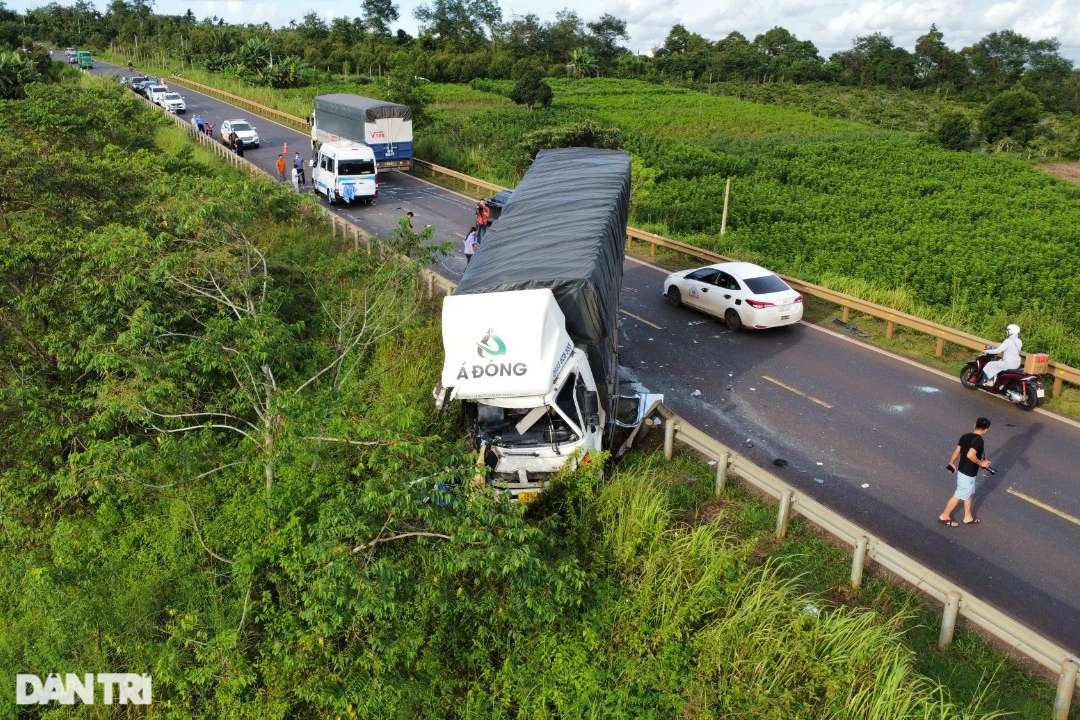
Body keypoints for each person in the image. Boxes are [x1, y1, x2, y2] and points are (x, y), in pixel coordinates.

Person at [939, 417, 992, 526]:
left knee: (968, 494)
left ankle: (967, 517)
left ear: (974, 425)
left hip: (963, 471)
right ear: (986, 430)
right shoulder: (979, 441)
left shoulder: (965, 436)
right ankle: (944, 515)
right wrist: (982, 463)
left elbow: (957, 451)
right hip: (968, 474)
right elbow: (970, 455)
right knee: (958, 495)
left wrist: (951, 462)